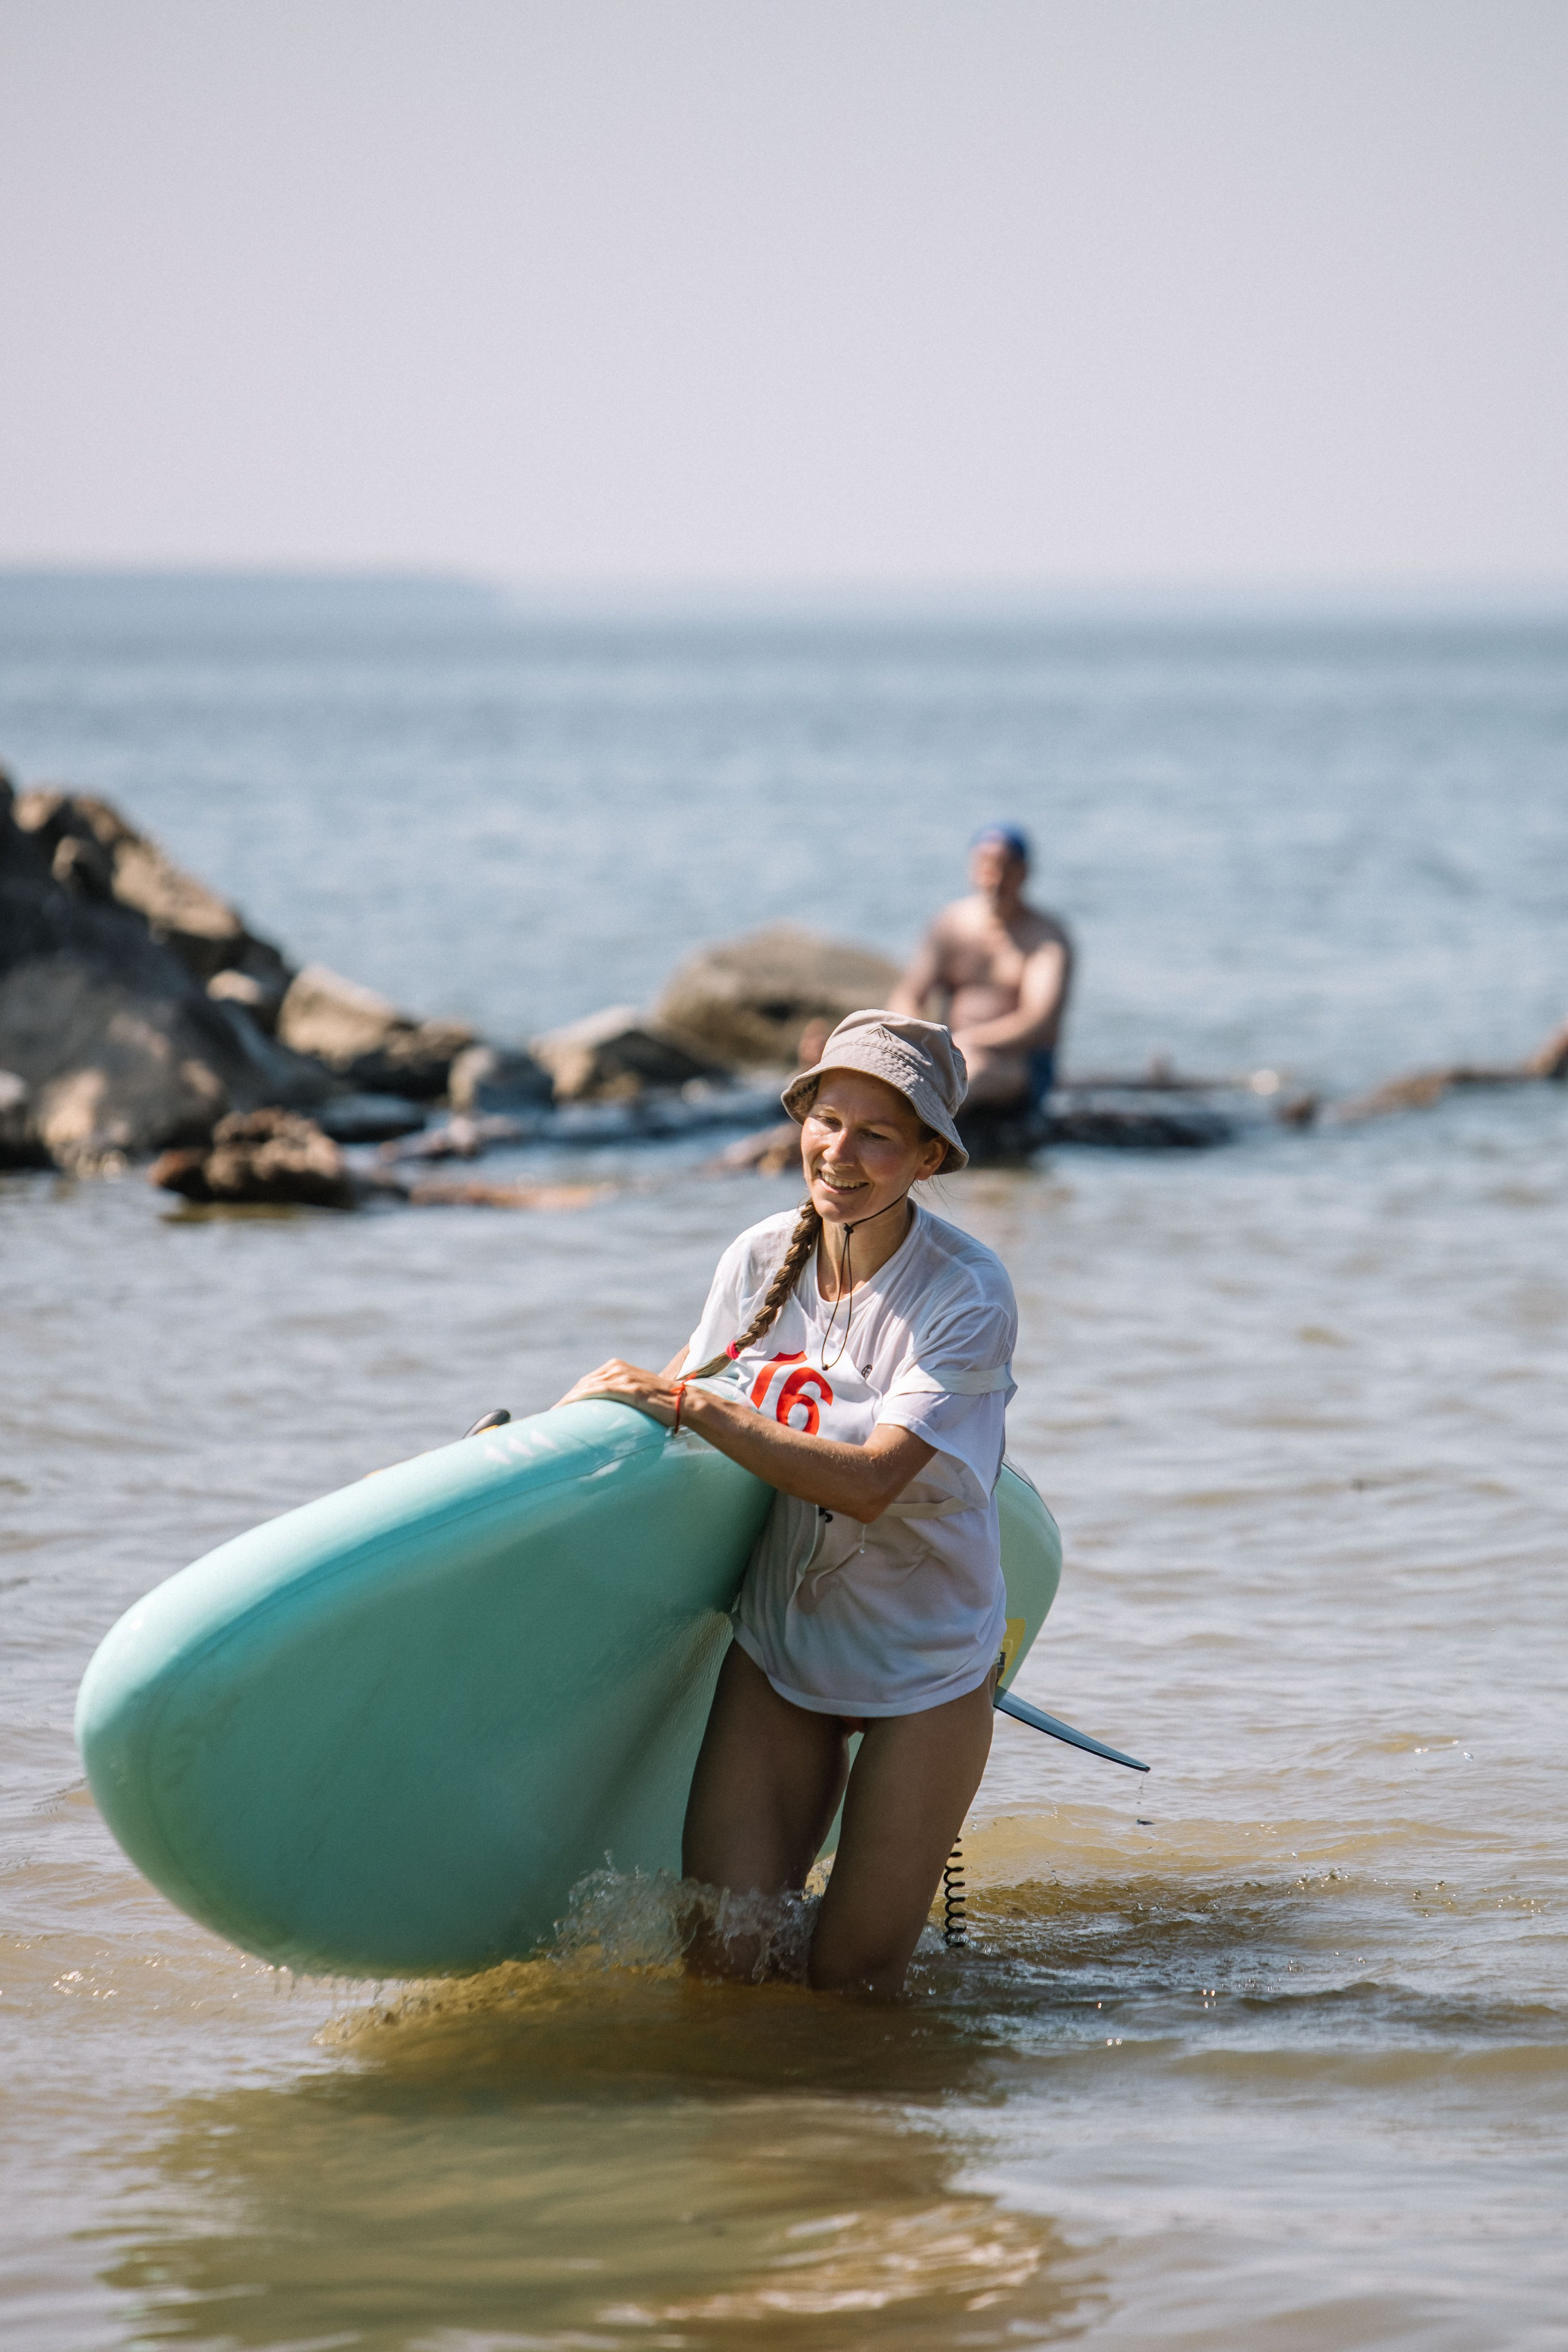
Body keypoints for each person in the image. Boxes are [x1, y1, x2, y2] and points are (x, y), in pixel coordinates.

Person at [557, 1010, 1018, 1996]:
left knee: (852, 1983)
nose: (839, 1153)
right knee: (719, 1963)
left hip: (926, 1662)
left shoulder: (968, 1292)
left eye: (877, 1135)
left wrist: (694, 1407)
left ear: (929, 1158)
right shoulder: (760, 1255)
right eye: (826, 1121)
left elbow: (873, 1481)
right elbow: (670, 1404)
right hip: (781, 1645)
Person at [891, 824, 1072, 1112]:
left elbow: (1040, 1021)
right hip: (952, 1051)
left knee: (974, 1070)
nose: (996, 878)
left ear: (1024, 873)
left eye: (1006, 868)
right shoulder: (951, 924)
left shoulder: (1045, 938)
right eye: (987, 866)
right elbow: (909, 995)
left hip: (1016, 1062)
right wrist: (922, 1037)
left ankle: (927, 1123)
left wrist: (968, 1041)